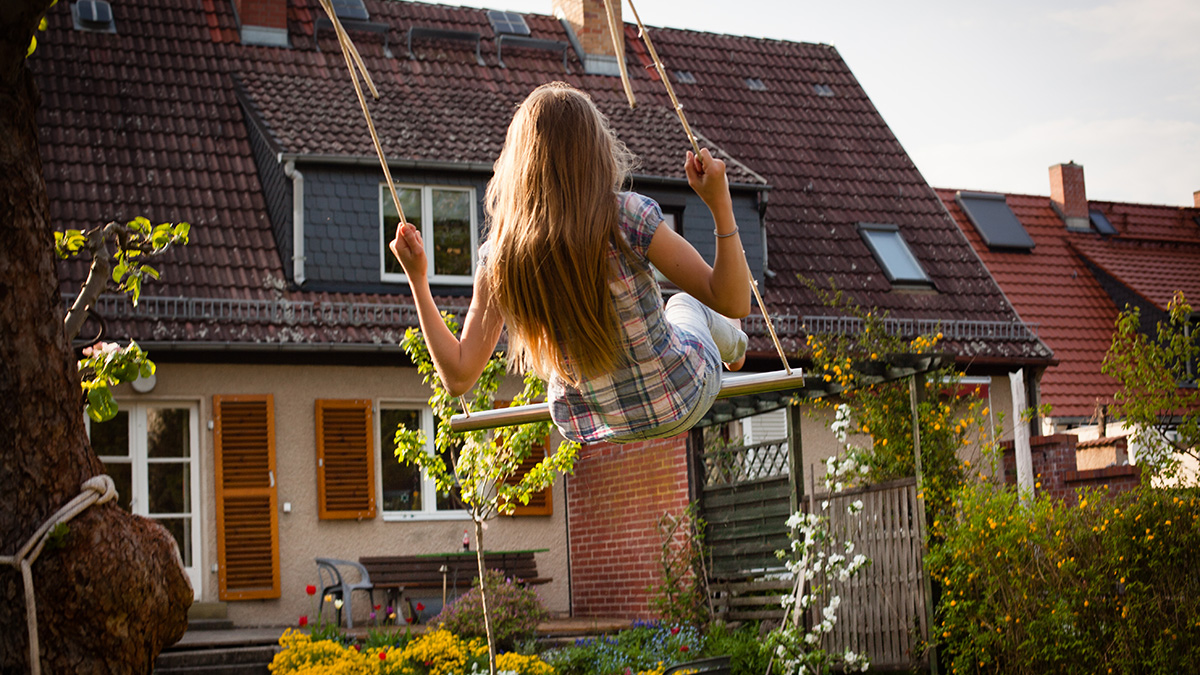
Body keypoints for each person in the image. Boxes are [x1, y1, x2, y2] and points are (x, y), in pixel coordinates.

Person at [389, 81, 750, 443]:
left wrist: (418, 279)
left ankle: (730, 343)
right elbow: (733, 300)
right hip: (682, 395)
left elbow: (458, 378)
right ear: (597, 152)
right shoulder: (626, 216)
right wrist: (720, 204)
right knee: (685, 302)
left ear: (517, 165)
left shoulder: (500, 256)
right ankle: (733, 345)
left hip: (598, 421)